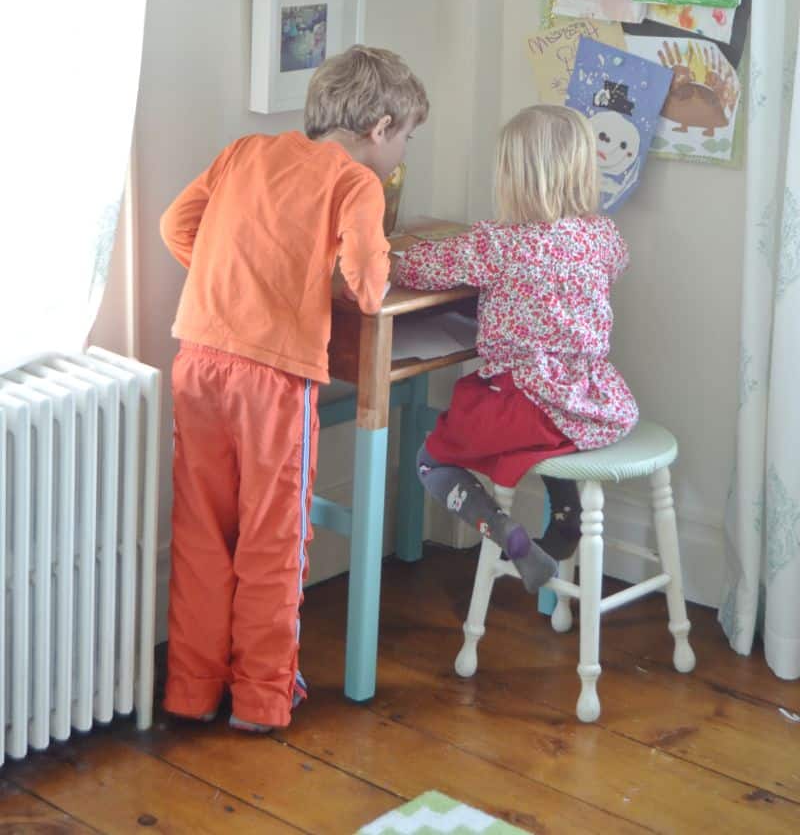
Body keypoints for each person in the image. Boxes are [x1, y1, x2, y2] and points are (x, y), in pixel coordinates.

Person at [160, 46, 428, 733]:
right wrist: (315, 287)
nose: (399, 154)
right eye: (404, 139)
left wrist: (237, 282)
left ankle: (190, 690)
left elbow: (175, 227)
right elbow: (369, 284)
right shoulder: (356, 183)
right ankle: (259, 697)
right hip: (273, 381)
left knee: (201, 532)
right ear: (380, 126)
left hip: (198, 358)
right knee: (272, 540)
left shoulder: (243, 151)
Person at [393, 105, 638, 593]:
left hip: (524, 403)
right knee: (546, 436)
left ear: (513, 178)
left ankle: (505, 532)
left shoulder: (498, 244)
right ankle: (566, 515)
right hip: (588, 402)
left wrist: (394, 258)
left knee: (430, 460)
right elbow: (612, 269)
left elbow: (419, 270)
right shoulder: (604, 236)